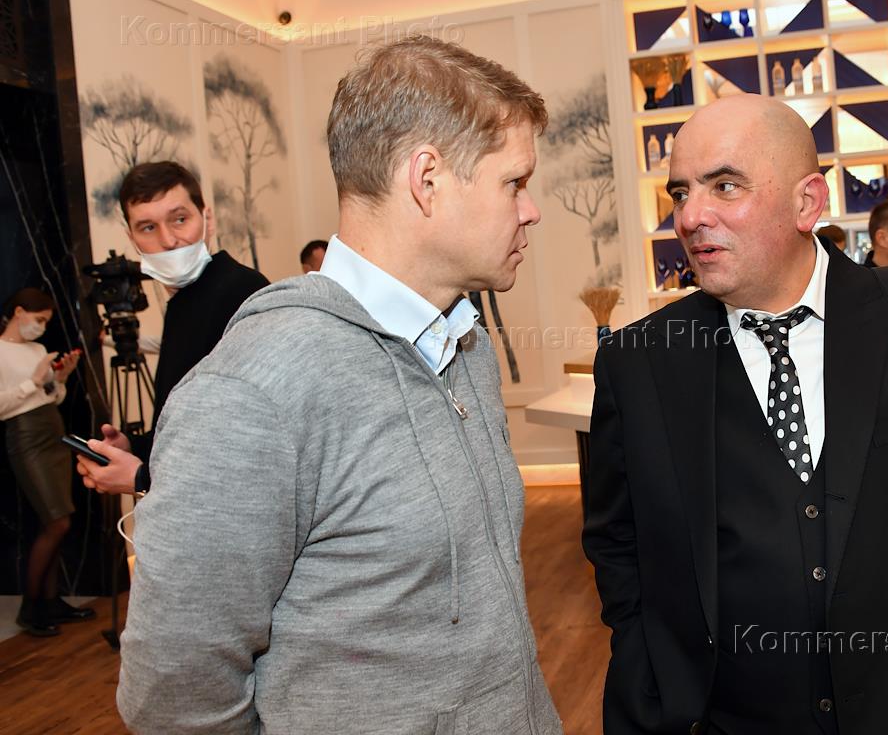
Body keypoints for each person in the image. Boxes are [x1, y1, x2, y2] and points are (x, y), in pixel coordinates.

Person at [115, 36, 562, 734]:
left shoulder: (461, 343)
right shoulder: (254, 391)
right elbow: (175, 692)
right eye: (515, 182)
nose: (530, 209)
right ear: (427, 178)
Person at [583, 95, 888, 735]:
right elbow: (618, 546)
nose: (690, 217)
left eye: (725, 186)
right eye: (681, 193)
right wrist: (655, 692)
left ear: (807, 203)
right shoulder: (640, 361)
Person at [74, 161, 268, 495]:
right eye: (148, 227)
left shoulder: (240, 291)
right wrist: (133, 447)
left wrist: (141, 478)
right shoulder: (184, 302)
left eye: (180, 219)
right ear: (132, 238)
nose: (168, 240)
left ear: (207, 219)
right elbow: (185, 428)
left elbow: (249, 436)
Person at [1, 288, 87, 637]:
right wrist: (32, 382)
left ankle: (50, 601)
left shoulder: (37, 349)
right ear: (19, 311)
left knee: (57, 521)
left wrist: (59, 380)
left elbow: (51, 397)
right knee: (56, 522)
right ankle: (31, 607)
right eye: (38, 319)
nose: (41, 327)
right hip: (26, 437)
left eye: (46, 322)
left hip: (53, 430)